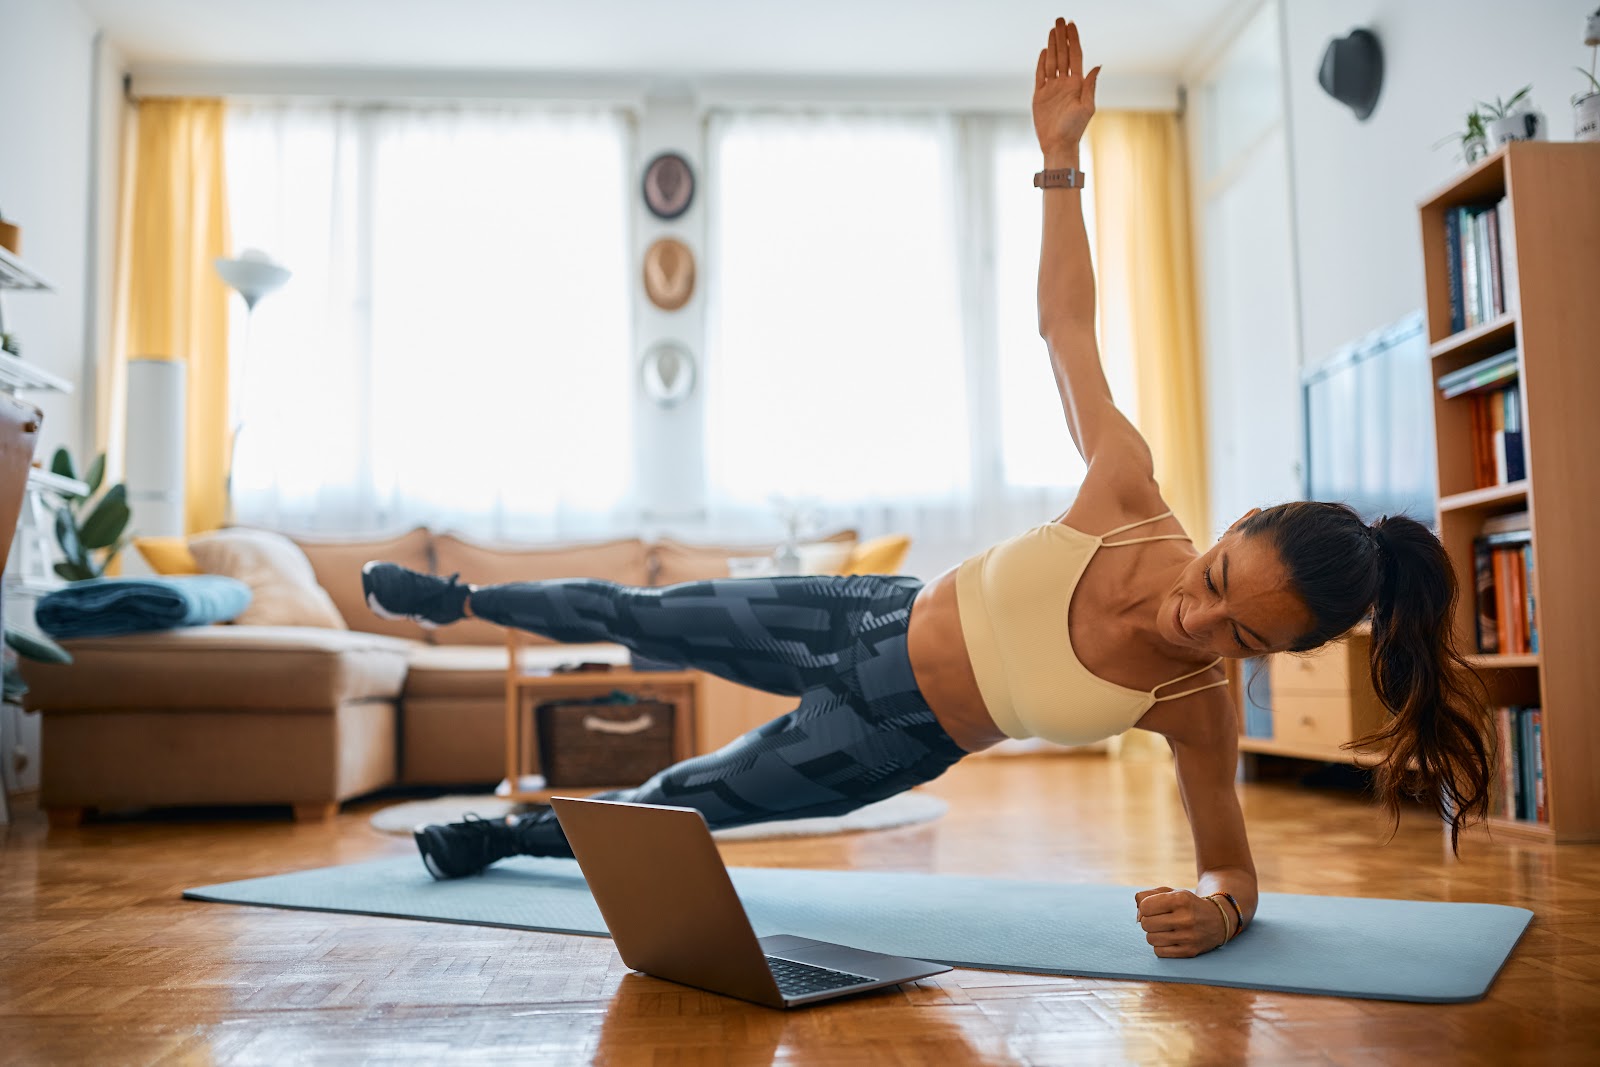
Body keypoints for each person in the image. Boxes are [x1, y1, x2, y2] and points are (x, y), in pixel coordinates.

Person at [361, 18, 1493, 959]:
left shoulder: (1189, 705)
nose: (1193, 619)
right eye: (1213, 581)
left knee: (679, 801)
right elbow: (1065, 326)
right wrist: (1059, 160)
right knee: (637, 613)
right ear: (1231, 526)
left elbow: (1229, 855)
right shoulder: (1129, 490)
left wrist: (1223, 906)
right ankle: (456, 599)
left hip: (886, 737)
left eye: (1239, 634)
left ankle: (502, 835)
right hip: (863, 611)